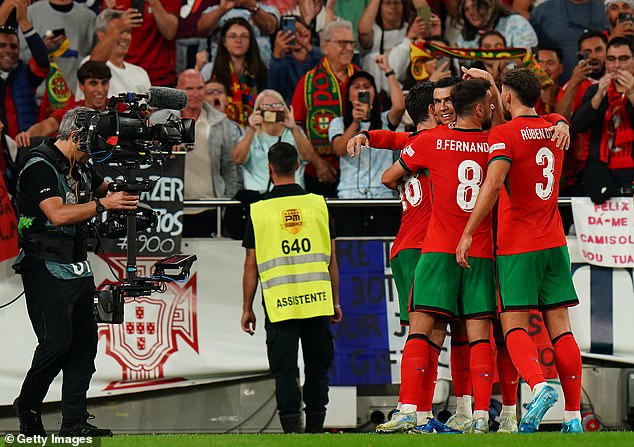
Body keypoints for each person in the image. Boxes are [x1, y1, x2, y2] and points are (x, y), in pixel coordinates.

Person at [456, 67, 583, 433]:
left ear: (507, 99)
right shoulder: (553, 127)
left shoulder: (505, 134)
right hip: (555, 243)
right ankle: (573, 419)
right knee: (562, 330)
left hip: (518, 245)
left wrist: (468, 233)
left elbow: (493, 184)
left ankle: (540, 387)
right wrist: (562, 122)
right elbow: (556, 119)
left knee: (512, 323)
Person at [377, 78, 497, 434]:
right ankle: (477, 415)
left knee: (421, 330)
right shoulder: (495, 141)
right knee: (475, 336)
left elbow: (389, 175)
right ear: (479, 108)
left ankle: (410, 410)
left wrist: (409, 177)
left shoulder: (429, 141)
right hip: (479, 248)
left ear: (448, 109)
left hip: (438, 248)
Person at [12, 106, 139, 437]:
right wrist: (103, 205)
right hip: (44, 263)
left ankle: (74, 422)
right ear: (74, 136)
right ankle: (27, 405)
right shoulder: (38, 165)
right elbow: (56, 214)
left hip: (78, 263)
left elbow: (103, 189)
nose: (94, 150)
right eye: (90, 142)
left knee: (85, 344)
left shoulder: (81, 165)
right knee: (56, 343)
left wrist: (123, 188)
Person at [240, 141, 342, 434]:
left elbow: (251, 265)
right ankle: (315, 429)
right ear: (298, 166)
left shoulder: (258, 211)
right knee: (317, 367)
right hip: (318, 301)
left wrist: (247, 308)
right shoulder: (318, 204)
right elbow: (332, 260)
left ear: (269, 169)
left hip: (279, 303)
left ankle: (291, 431)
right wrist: (335, 301)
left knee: (285, 370)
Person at [151, 69, 241, 236]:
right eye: (189, 89)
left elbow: (229, 166)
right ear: (178, 90)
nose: (196, 94)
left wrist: (226, 201)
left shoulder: (221, 123)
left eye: (200, 88)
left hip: (210, 209)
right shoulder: (158, 120)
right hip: (168, 210)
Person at [291, 20, 358, 197]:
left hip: (357, 171)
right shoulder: (308, 81)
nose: (349, 48)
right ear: (325, 47)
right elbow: (297, 128)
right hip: (318, 172)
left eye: (352, 43)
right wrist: (317, 162)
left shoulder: (362, 79)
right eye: (343, 43)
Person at [571, 36, 634, 201]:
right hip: (602, 171)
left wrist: (632, 94)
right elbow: (577, 125)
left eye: (624, 59)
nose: (617, 65)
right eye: (611, 59)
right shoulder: (594, 90)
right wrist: (598, 96)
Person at [330, 64, 404, 198]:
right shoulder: (338, 122)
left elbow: (399, 107)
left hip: (382, 194)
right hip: (349, 195)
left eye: (367, 87)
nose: (362, 91)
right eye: (357, 87)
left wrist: (389, 71)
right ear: (348, 95)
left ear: (374, 93)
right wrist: (355, 122)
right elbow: (339, 150)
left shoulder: (385, 120)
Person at [232, 89, 325, 193]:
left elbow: (308, 157)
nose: (271, 110)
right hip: (259, 196)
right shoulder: (250, 134)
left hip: (291, 194)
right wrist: (252, 129)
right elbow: (237, 159)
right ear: (257, 110)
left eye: (276, 106)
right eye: (266, 107)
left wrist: (294, 128)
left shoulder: (294, 132)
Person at [15, 61, 111, 148]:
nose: (100, 90)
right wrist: (27, 135)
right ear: (81, 86)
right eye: (93, 84)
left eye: (104, 83)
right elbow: (45, 127)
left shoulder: (119, 107)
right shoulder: (72, 112)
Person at [0, 3, 49, 139]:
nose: (8, 50)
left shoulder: (25, 74)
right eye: (2, 45)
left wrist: (24, 23)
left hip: (25, 146)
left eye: (13, 46)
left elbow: (43, 62)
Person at [208, 17, 268, 127]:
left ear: (250, 41)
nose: (238, 41)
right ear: (224, 41)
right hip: (220, 131)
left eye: (244, 36)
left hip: (255, 132)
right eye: (232, 36)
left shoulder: (261, 71)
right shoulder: (210, 70)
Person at [530, 0, 609, 83]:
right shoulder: (543, 11)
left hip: (602, 86)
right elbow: (529, 51)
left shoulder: (606, 8)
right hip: (553, 89)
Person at [79, 8, 150, 99]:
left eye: (128, 32)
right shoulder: (87, 62)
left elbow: (151, 109)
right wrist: (118, 28)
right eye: (120, 32)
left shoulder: (140, 73)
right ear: (102, 36)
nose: (125, 37)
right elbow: (94, 66)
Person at [115, 0, 179, 87]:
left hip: (158, 77)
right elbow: (104, 32)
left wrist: (154, 3)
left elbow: (170, 32)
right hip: (122, 75)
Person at [197, 0, 279, 66]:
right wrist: (221, 9)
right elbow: (202, 29)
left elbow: (270, 27)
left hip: (259, 70)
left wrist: (252, 6)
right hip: (222, 70)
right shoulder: (215, 10)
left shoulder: (268, 10)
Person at [357, 0, 411, 95]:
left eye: (397, 2)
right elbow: (363, 32)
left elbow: (425, 12)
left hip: (403, 94)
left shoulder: (412, 30)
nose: (393, 6)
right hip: (372, 95)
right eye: (387, 2)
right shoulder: (374, 31)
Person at [268, 15, 322, 105]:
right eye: (292, 32)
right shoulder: (282, 63)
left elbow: (329, 62)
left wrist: (307, 46)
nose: (296, 35)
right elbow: (275, 90)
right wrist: (277, 55)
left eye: (300, 31)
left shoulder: (316, 56)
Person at [457, 0, 538, 51]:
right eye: (466, 9)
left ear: (490, 4)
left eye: (475, 6)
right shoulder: (464, 36)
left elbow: (528, 59)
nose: (471, 12)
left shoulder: (516, 23)